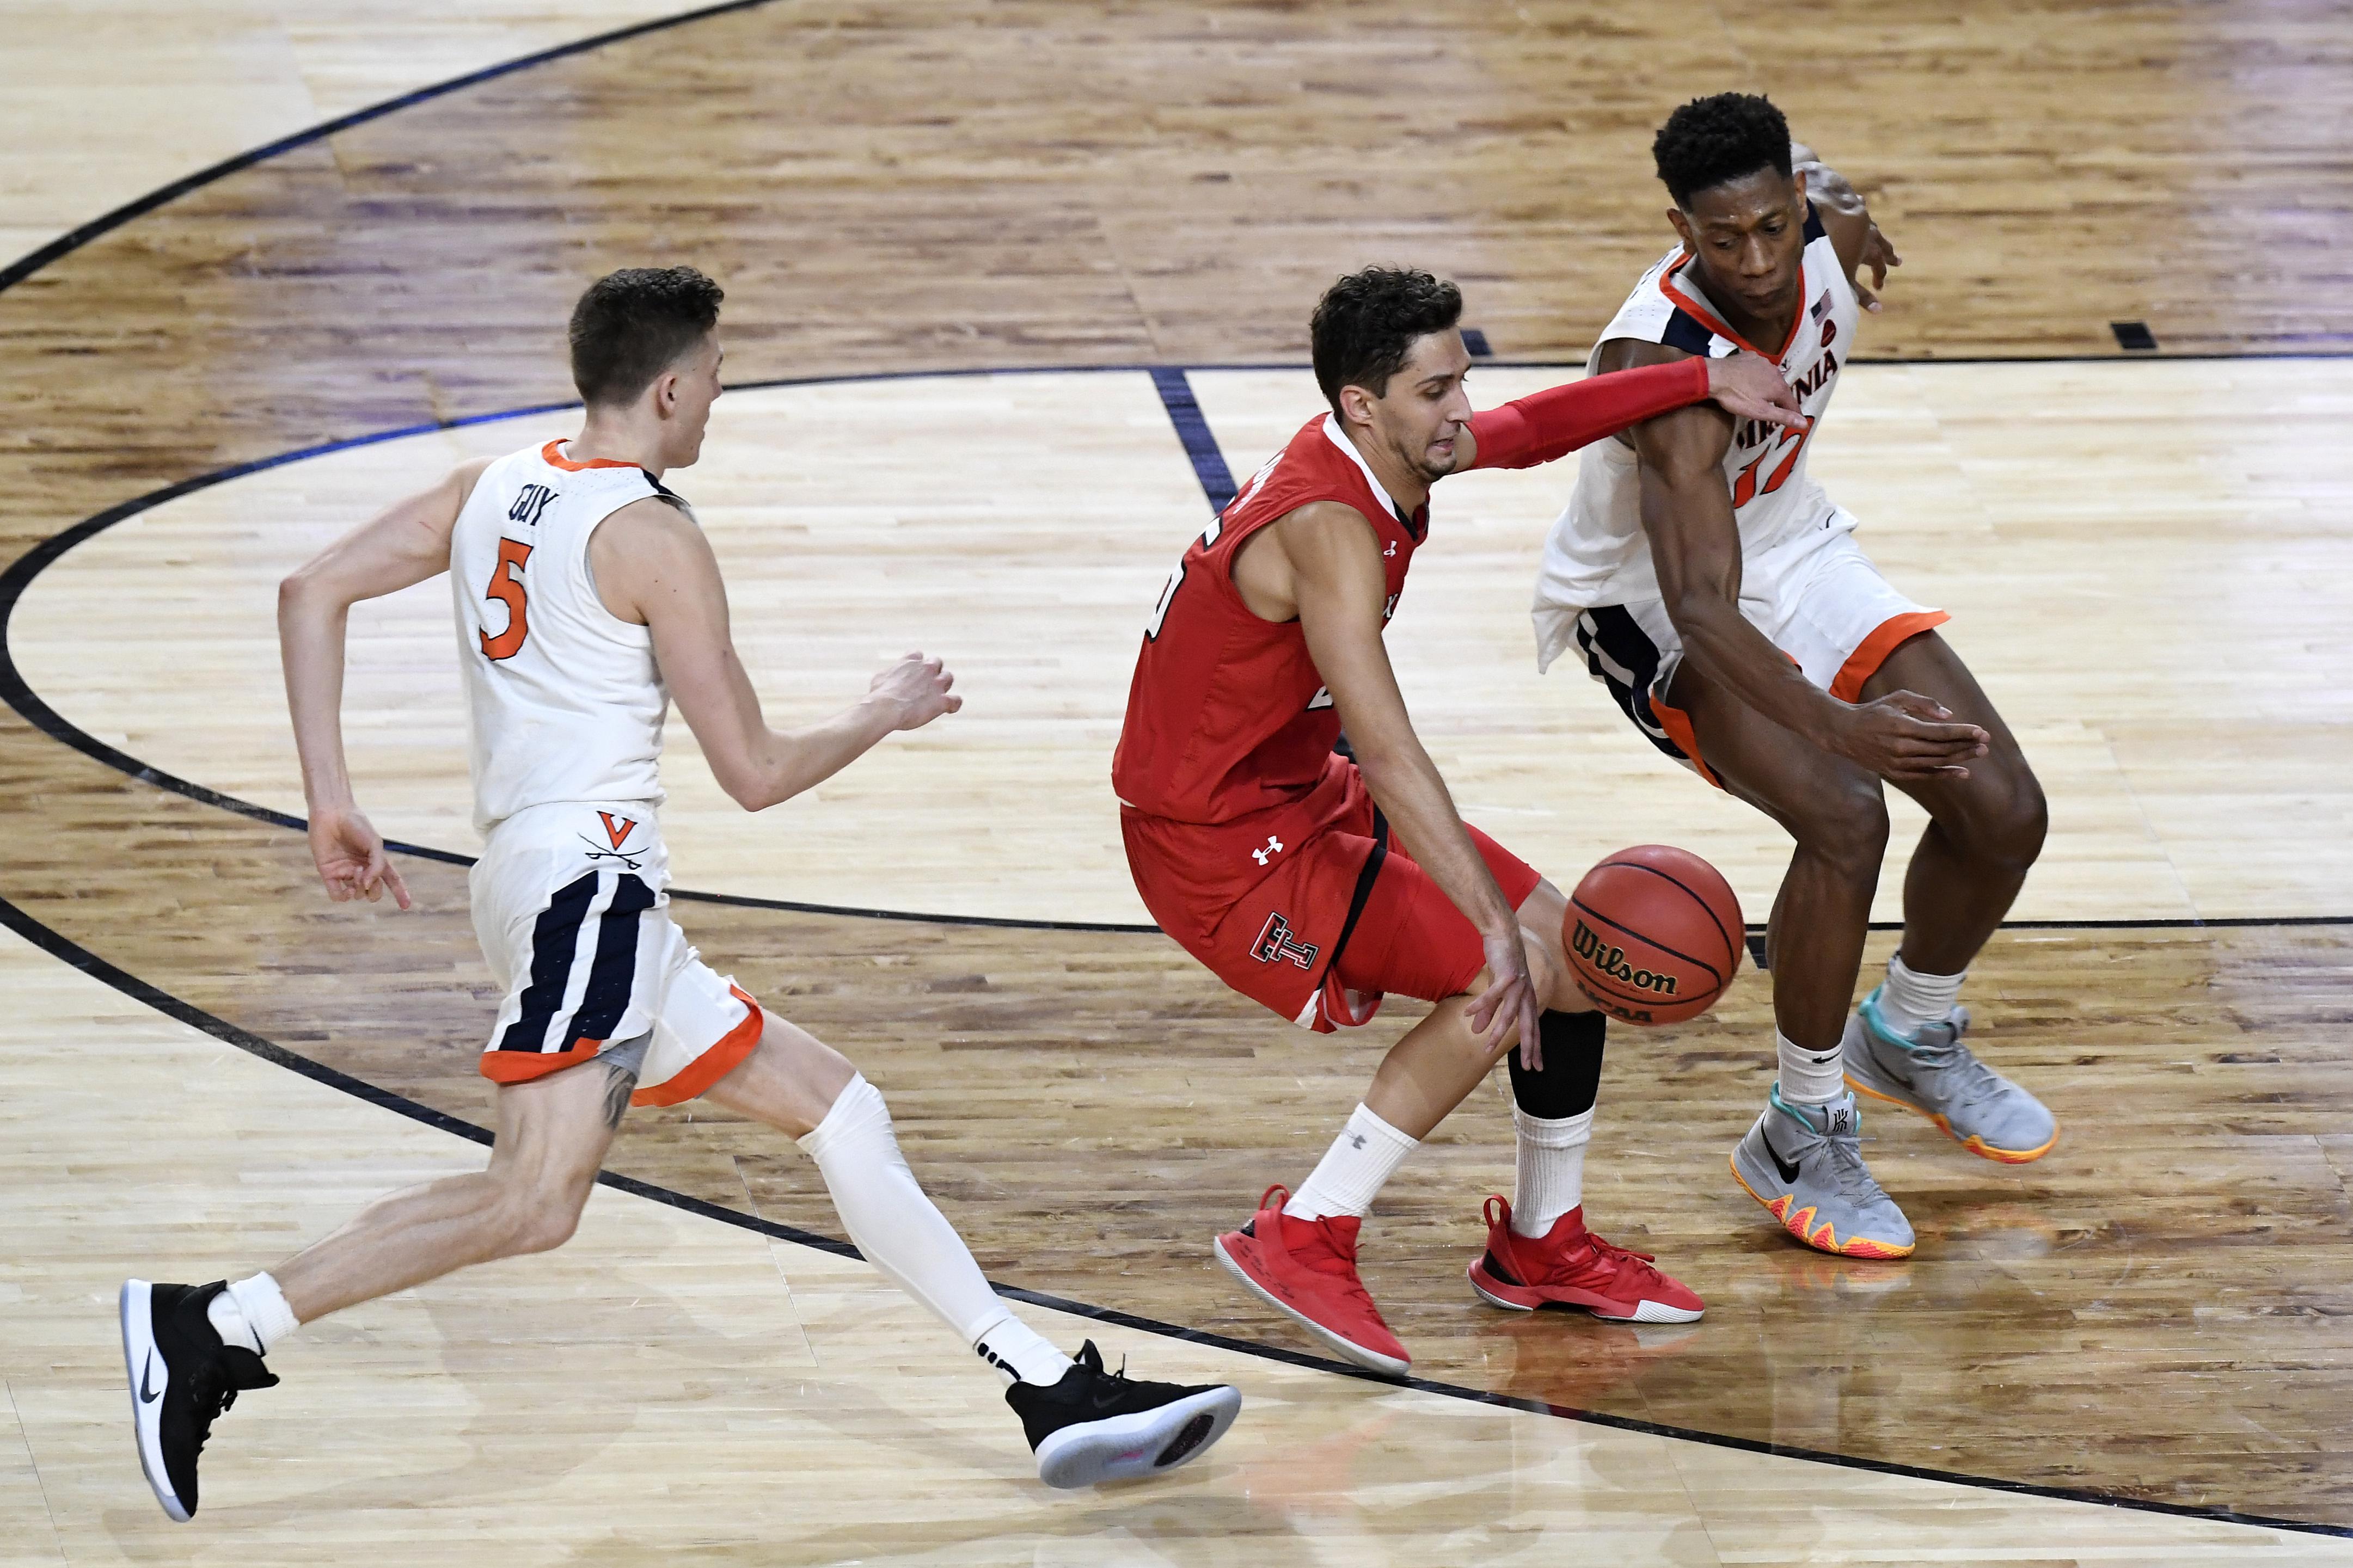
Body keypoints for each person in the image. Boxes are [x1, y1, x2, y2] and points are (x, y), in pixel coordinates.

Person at [119, 266, 1240, 1522]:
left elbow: (308, 589)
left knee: (839, 1109)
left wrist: (330, 797)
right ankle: (214, 1323)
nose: (718, 394)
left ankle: (1043, 1384)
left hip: (553, 890)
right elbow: (755, 771)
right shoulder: (655, 537)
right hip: (587, 897)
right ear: (666, 387)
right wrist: (883, 709)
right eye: (713, 373)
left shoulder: (492, 484)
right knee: (533, 1200)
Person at [1112, 266, 1803, 1374]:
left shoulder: (1378, 450)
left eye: (1459, 380)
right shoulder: (1329, 526)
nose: (1461, 411)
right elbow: (1387, 750)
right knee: (1502, 971)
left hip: (1293, 793)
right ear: (1361, 406)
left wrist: (1696, 378)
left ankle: (1541, 1243)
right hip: (1218, 850)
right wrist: (1489, 925)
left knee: (1572, 949)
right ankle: (1306, 1229)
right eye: (1436, 392)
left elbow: (1524, 432)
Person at [1531, 93, 2057, 1260]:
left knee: (2004, 809)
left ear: (1795, 201)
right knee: (1844, 813)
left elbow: (1832, 193)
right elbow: (1703, 611)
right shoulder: (1668, 372)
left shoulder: (1822, 218)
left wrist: (1857, 227)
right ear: (1680, 231)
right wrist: (1840, 728)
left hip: (1793, 542)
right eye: (1724, 240)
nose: (1760, 261)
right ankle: (1799, 1126)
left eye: (1774, 227)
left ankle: (1907, 1032)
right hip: (1655, 605)